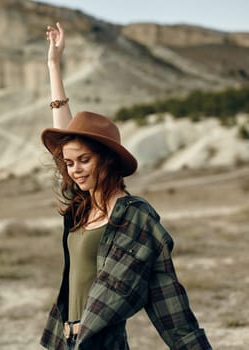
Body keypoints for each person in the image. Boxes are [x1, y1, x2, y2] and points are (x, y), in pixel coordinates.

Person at [39, 22, 212, 350]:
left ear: (106, 161)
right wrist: (54, 65)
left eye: (84, 161)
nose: (74, 171)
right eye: (70, 163)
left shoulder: (135, 218)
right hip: (64, 341)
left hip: (102, 343)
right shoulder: (84, 207)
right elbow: (67, 139)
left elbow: (168, 299)